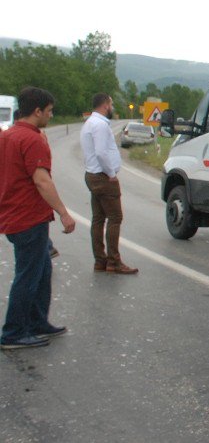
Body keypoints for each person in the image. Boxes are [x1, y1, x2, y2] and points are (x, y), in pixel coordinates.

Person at [0, 87, 76, 350]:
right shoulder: (32, 139)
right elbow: (42, 180)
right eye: (49, 111)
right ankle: (13, 332)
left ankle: (36, 321)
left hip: (16, 214)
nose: (51, 116)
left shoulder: (8, 135)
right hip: (28, 217)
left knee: (42, 271)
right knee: (28, 275)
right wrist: (64, 213)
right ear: (37, 111)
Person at [80, 92, 138, 274]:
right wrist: (111, 173)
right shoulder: (100, 125)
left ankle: (100, 260)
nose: (112, 108)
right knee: (115, 218)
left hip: (92, 174)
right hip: (103, 177)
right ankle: (114, 261)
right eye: (111, 104)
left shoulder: (89, 123)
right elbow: (101, 152)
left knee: (98, 218)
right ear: (105, 105)